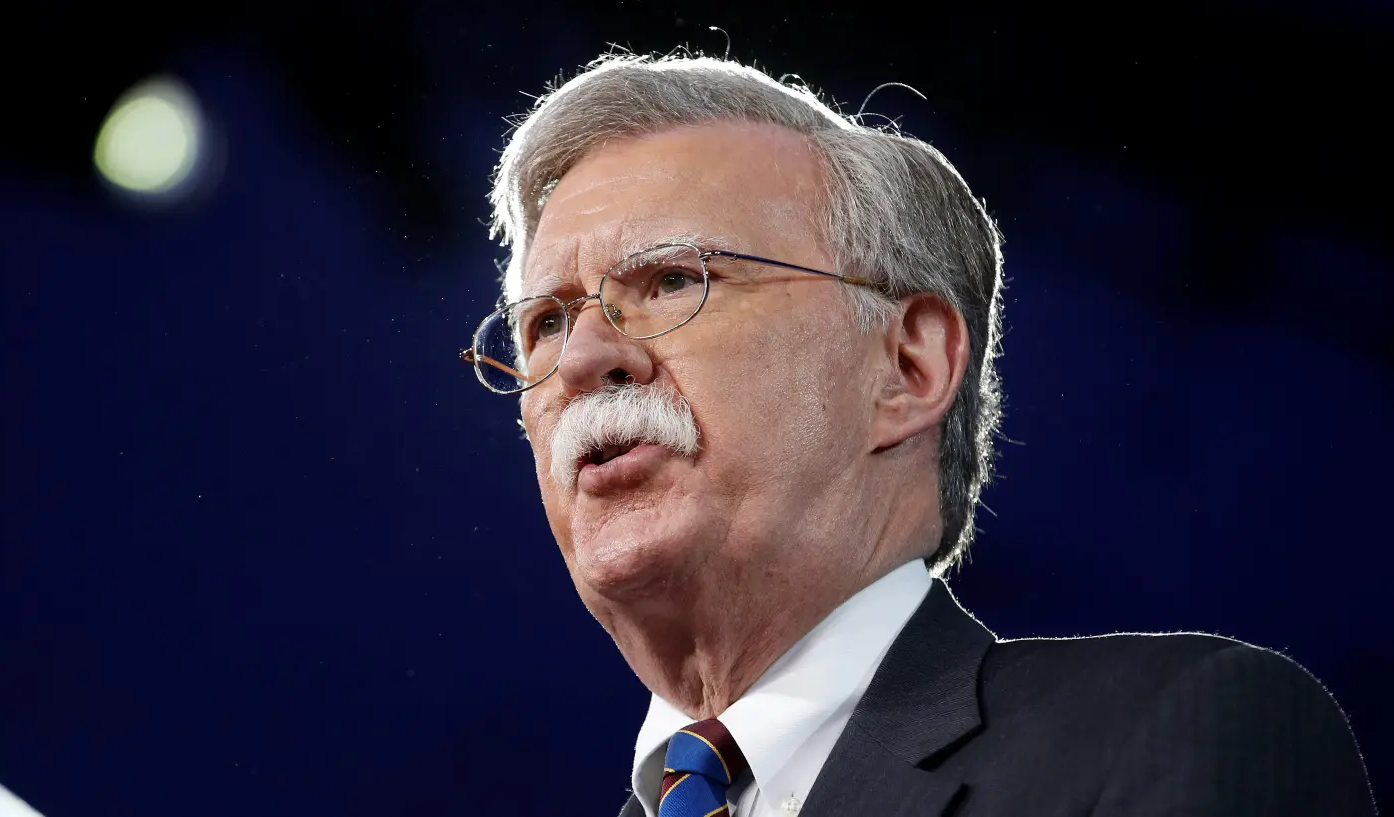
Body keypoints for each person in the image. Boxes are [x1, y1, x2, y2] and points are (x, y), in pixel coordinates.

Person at [458, 53, 1377, 817]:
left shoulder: (1170, 736)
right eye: (543, 324)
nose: (581, 359)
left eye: (667, 280)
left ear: (907, 366)